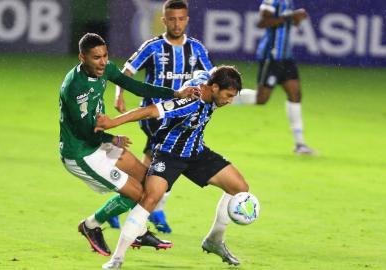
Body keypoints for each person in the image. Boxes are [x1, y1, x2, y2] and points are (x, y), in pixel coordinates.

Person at [96, 66, 255, 269]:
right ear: (214, 87)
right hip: (169, 155)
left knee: (240, 187)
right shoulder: (190, 100)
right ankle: (116, 259)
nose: (229, 101)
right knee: (150, 198)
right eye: (228, 95)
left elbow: (204, 72)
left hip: (196, 152)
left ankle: (214, 240)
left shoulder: (207, 82)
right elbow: (150, 111)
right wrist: (112, 123)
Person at [59, 33, 198, 257]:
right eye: (96, 58)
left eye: (105, 56)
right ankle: (91, 225)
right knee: (137, 192)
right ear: (81, 57)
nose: (103, 62)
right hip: (81, 153)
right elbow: (84, 132)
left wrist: (175, 92)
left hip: (98, 141)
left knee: (147, 179)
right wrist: (112, 139)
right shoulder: (75, 88)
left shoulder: (104, 70)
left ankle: (139, 231)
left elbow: (137, 87)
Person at [110, 0, 215, 233]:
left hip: (179, 117)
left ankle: (121, 204)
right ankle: (153, 210)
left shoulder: (196, 49)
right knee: (165, 161)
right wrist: (119, 94)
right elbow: (126, 72)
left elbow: (211, 76)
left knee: (151, 167)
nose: (176, 24)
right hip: (153, 114)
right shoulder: (153, 47)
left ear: (187, 20)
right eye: (172, 19)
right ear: (163, 20)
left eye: (181, 19)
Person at [234, 0, 316, 155]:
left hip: (286, 57)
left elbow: (290, 23)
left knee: (295, 95)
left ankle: (300, 144)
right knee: (261, 99)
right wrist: (291, 17)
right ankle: (222, 97)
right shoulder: (271, 1)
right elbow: (263, 22)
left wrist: (297, 18)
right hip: (271, 56)